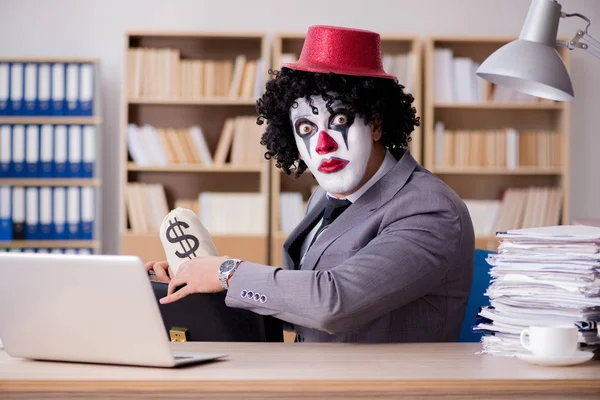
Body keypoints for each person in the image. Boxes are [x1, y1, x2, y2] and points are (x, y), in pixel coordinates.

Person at [147, 25, 475, 343]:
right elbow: (303, 304)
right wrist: (199, 281)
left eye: (340, 120)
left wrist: (228, 273)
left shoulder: (430, 208)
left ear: (375, 124)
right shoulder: (324, 196)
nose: (322, 144)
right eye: (306, 128)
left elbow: (334, 302)